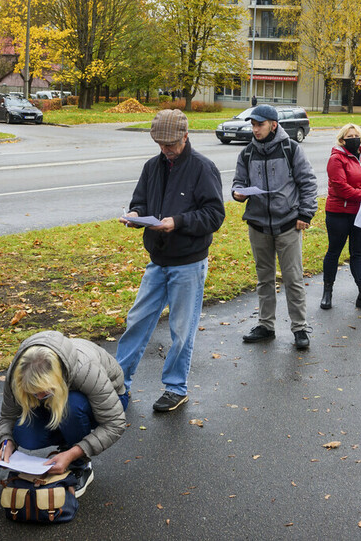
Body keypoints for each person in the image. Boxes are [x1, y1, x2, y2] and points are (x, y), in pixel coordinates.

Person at [117, 109, 225, 412]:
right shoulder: (152, 167)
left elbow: (215, 215)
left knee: (181, 329)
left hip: (189, 262)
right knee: (137, 321)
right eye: (160, 145)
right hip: (158, 259)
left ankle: (176, 388)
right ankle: (118, 384)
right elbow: (141, 201)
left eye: (171, 145)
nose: (166, 150)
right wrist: (135, 214)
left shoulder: (203, 168)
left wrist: (177, 222)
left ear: (185, 136)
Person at [0, 331, 128, 498]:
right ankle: (69, 436)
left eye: (45, 392)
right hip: (59, 404)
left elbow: (115, 423)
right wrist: (6, 442)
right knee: (24, 434)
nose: (39, 398)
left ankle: (80, 465)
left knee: (71, 406)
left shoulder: (86, 369)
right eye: (33, 393)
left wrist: (74, 453)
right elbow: (8, 416)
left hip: (110, 400)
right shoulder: (18, 373)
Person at [232, 104, 318, 350]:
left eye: (259, 124)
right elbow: (238, 182)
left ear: (273, 125)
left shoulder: (291, 149)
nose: (255, 129)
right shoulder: (247, 153)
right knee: (264, 278)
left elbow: (308, 183)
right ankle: (266, 325)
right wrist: (238, 193)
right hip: (258, 225)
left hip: (288, 224)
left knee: (293, 278)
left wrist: (305, 213)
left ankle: (300, 327)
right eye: (253, 125)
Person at [321, 124, 361, 310]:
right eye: (350, 136)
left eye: (357, 135)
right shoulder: (336, 159)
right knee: (334, 251)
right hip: (338, 213)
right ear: (342, 140)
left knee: (357, 253)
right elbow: (341, 188)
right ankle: (327, 292)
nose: (354, 139)